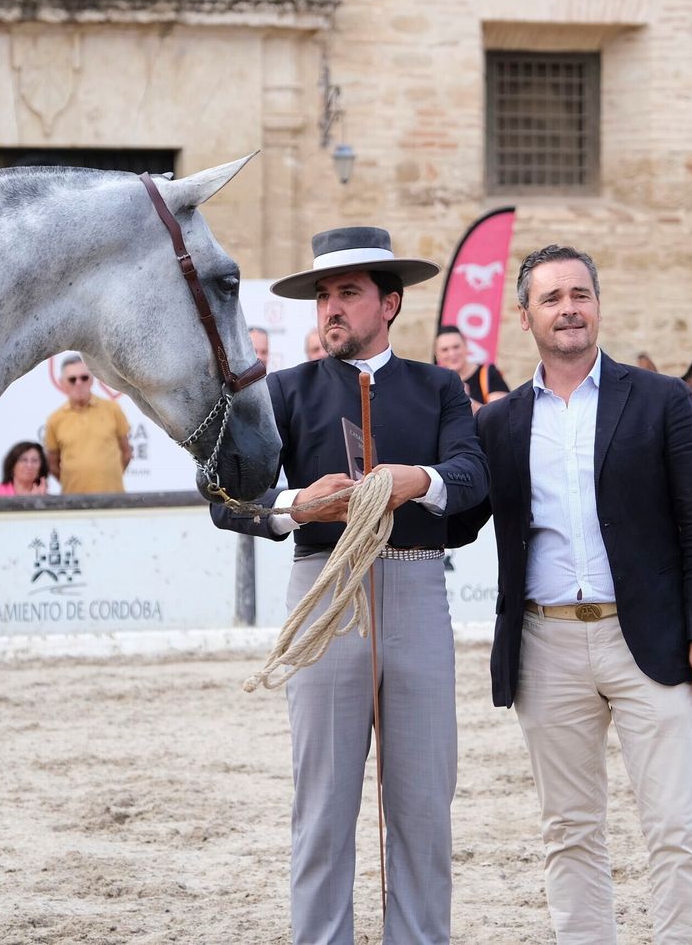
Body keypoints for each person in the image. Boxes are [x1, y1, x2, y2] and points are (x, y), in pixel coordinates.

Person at [211, 226, 488, 945]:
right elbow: (222, 493)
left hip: (419, 593)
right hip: (324, 593)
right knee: (324, 805)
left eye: (348, 294)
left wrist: (412, 480)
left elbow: (472, 478)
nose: (331, 308)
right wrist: (297, 505)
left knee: (424, 804)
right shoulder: (281, 391)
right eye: (324, 295)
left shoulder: (439, 387)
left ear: (389, 303)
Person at [450, 244, 692, 945]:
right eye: (551, 298)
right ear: (524, 317)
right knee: (569, 831)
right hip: (544, 646)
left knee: (676, 824)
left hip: (652, 643)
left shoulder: (662, 401)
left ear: (598, 305)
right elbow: (456, 522)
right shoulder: (498, 422)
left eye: (580, 294)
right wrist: (398, 471)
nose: (568, 309)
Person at [44, 354, 132, 494]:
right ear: (62, 383)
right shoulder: (54, 419)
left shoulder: (113, 409)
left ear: (91, 380)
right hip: (73, 501)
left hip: (113, 498)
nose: (79, 383)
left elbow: (126, 453)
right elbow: (52, 464)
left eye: (84, 377)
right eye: (72, 379)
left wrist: (109, 476)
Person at [433, 324, 509, 411]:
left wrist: (464, 398)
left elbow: (499, 414)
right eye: (445, 350)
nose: (452, 354)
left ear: (466, 346)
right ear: (437, 355)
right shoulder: (435, 383)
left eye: (456, 347)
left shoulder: (488, 373)